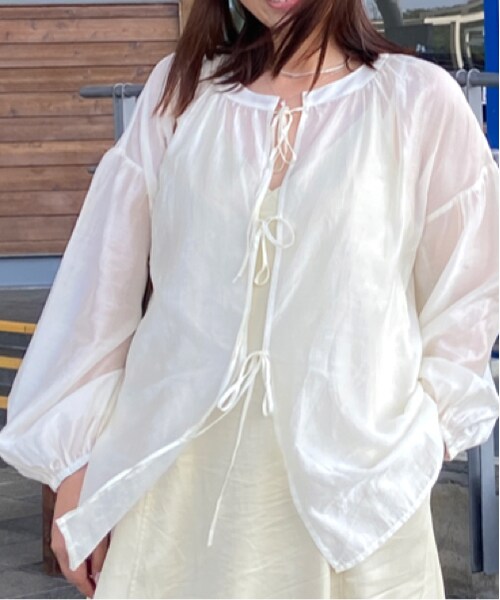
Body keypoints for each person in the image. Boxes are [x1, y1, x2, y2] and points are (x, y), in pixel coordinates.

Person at [0, 0, 498, 597]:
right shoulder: (181, 92)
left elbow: (469, 290)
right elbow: (99, 287)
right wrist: (75, 466)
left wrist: (424, 436)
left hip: (359, 499)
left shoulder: (416, 100)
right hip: (175, 491)